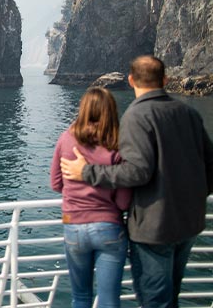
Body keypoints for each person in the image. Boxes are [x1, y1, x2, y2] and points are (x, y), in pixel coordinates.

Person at [61, 55, 213, 308]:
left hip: (154, 229)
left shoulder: (136, 116)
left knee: (155, 300)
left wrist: (87, 172)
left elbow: (137, 172)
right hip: (189, 222)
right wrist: (197, 196)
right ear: (165, 80)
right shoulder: (188, 113)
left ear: (131, 80)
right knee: (172, 296)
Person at [50, 87, 132, 308]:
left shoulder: (66, 139)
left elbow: (56, 183)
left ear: (83, 109)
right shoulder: (117, 144)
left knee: (81, 297)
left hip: (73, 226)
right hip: (109, 228)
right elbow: (124, 201)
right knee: (108, 299)